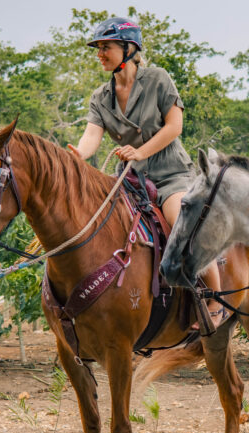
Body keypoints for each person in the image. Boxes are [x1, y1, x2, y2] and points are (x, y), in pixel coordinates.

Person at [67, 16, 227, 330]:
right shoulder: (101, 97)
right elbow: (91, 136)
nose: (100, 53)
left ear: (129, 48)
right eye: (98, 48)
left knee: (184, 224)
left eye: (106, 47)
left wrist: (140, 152)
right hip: (127, 181)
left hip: (170, 177)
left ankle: (215, 299)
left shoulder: (158, 79)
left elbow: (174, 126)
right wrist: (77, 154)